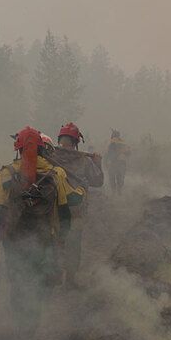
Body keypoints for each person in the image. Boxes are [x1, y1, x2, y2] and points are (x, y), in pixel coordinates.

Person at [0, 126, 73, 339]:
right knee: (39, 281)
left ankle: (21, 327)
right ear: (43, 149)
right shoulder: (57, 173)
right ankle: (31, 325)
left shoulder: (6, 173)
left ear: (19, 149)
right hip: (44, 240)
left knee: (17, 280)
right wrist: (62, 239)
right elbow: (64, 212)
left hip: (13, 240)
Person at [48, 122, 104, 287]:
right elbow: (98, 181)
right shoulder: (83, 161)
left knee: (55, 242)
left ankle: (54, 276)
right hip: (75, 212)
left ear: (60, 139)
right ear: (76, 142)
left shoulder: (50, 157)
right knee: (73, 245)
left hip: (53, 210)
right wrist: (98, 163)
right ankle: (70, 281)